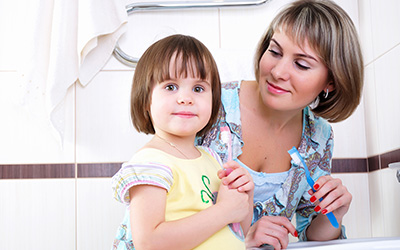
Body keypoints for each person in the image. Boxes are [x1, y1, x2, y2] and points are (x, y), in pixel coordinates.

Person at [197, 0, 363, 249]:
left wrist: (334, 214)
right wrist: (241, 239)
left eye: (301, 64)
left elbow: (309, 234)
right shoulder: (208, 105)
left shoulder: (318, 136)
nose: (278, 71)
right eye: (274, 52)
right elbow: (162, 217)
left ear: (331, 82)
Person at [111, 34, 254, 250]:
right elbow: (150, 243)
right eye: (170, 87)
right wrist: (224, 210)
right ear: (145, 100)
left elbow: (236, 230)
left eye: (198, 89)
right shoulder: (151, 163)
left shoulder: (211, 158)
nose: (186, 98)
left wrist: (244, 198)